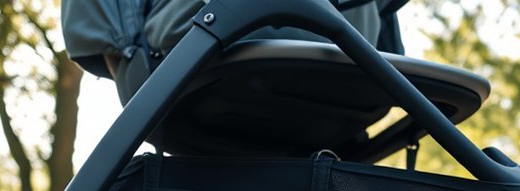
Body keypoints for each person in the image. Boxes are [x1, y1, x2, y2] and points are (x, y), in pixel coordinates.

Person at [62, 0, 405, 104]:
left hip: (188, 58)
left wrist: (126, 59)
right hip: (346, 70)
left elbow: (107, 41)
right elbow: (391, 53)